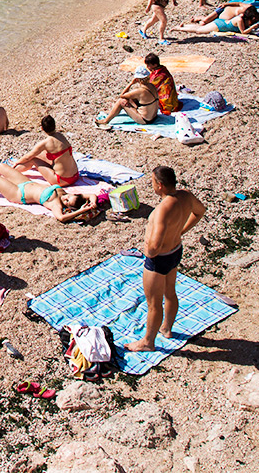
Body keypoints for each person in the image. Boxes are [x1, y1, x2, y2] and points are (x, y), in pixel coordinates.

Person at [126, 166, 206, 352]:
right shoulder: (186, 196)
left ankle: (148, 342)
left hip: (159, 259)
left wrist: (148, 253)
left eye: (153, 182)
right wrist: (181, 230)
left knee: (154, 304)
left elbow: (154, 245)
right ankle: (167, 329)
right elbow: (200, 211)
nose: (152, 185)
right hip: (176, 250)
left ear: (160, 185)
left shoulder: (162, 209)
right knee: (170, 292)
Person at [0, 166, 98, 223]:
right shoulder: (67, 194)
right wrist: (92, 203)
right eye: (69, 197)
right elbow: (91, 195)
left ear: (68, 208)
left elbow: (61, 218)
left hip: (18, 194)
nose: (66, 198)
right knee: (1, 167)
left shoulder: (56, 205)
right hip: (26, 183)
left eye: (67, 202)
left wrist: (80, 211)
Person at [14, 115, 81, 187]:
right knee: (40, 154)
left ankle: (13, 171)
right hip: (75, 175)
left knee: (33, 159)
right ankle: (16, 169)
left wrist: (17, 162)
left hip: (62, 180)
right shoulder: (61, 136)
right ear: (54, 125)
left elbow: (28, 157)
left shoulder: (46, 143)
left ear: (42, 128)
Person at [97, 65, 161, 127]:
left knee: (121, 101)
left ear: (137, 79)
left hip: (145, 120)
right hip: (154, 117)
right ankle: (112, 112)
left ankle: (106, 120)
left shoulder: (139, 91)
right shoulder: (152, 86)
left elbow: (122, 95)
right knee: (132, 99)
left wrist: (131, 83)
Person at [172, 4, 259, 35]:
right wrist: (253, 27)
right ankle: (179, 28)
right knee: (199, 30)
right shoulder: (240, 19)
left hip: (221, 23)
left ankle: (185, 26)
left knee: (201, 28)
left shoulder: (242, 18)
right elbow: (243, 32)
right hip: (219, 25)